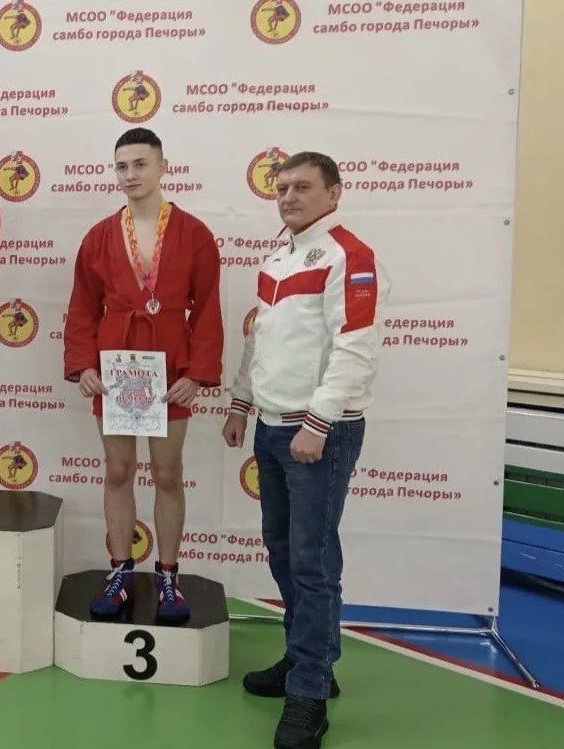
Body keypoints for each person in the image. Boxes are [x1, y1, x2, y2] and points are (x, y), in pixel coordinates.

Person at [223, 151, 389, 749]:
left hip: (318, 432)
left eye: (302, 187)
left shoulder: (350, 255)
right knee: (283, 550)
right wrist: (241, 401)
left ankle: (310, 694)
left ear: (334, 193)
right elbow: (261, 339)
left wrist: (318, 422)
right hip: (273, 427)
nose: (288, 197)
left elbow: (356, 347)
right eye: (282, 188)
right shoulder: (277, 258)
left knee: (312, 562)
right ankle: (305, 661)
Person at [63, 127, 224, 623]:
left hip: (169, 365)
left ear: (162, 167)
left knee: (168, 474)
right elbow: (83, 306)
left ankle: (168, 576)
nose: (130, 175)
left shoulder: (194, 234)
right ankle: (120, 572)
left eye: (140, 164)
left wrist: (196, 374)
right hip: (116, 365)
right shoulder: (99, 237)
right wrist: (84, 364)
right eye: (121, 166)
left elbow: (208, 308)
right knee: (117, 470)